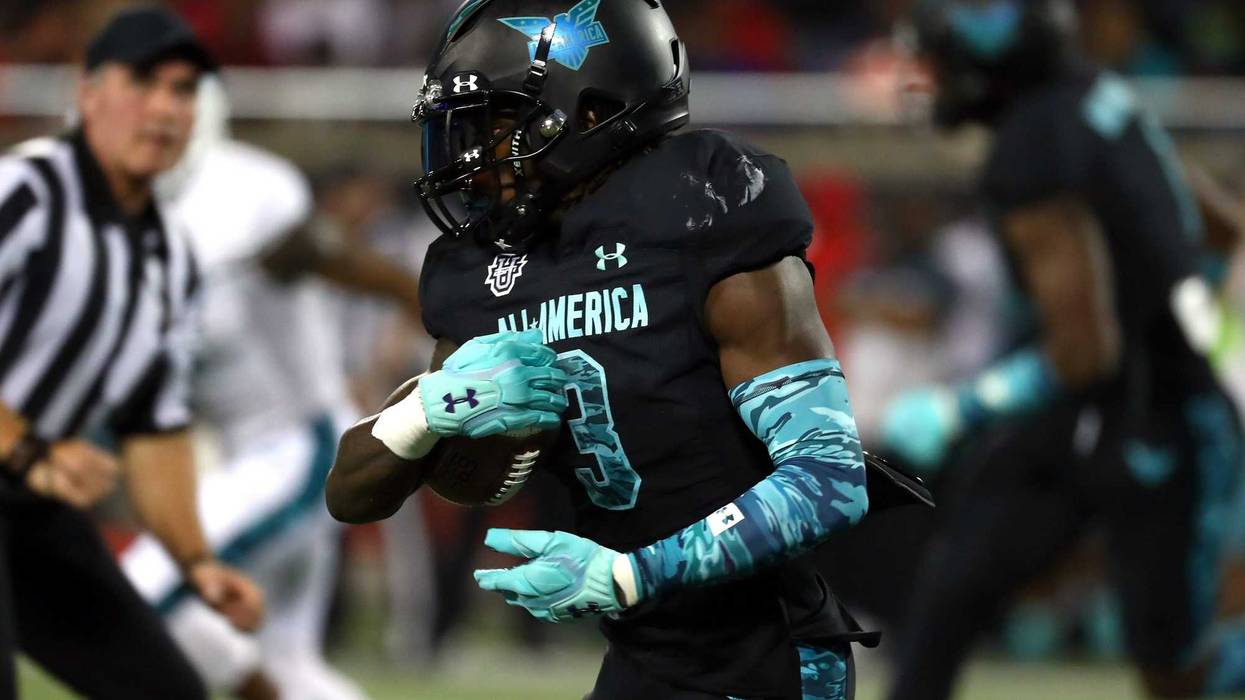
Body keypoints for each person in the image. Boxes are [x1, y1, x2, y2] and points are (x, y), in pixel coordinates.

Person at [322, 1, 919, 698]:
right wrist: (428, 411)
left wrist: (630, 575)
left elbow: (828, 480)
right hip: (643, 654)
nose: (474, 156)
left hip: (766, 658)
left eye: (499, 123)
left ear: (588, 109)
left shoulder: (704, 207)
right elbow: (357, 493)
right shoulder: (486, 267)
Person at [880, 1, 1245, 697]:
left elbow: (1085, 352)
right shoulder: (1096, 96)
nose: (926, 78)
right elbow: (1222, 230)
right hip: (1115, 407)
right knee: (949, 597)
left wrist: (958, 409)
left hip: (1156, 421)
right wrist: (1175, 317)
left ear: (985, 65)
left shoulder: (1029, 147)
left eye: (938, 60)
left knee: (1177, 677)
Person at [121, 75, 428, 700]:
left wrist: (414, 296)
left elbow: (317, 247)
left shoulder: (240, 191)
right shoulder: (131, 220)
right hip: (245, 454)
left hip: (297, 447)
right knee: (288, 665)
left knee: (137, 594)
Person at [0, 7, 263, 699]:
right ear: (87, 93)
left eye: (182, 91)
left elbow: (155, 426)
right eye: (143, 82)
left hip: (28, 501)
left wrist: (196, 560)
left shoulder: (170, 258)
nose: (165, 108)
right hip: (26, 468)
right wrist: (28, 449)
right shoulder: (24, 192)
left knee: (164, 689)